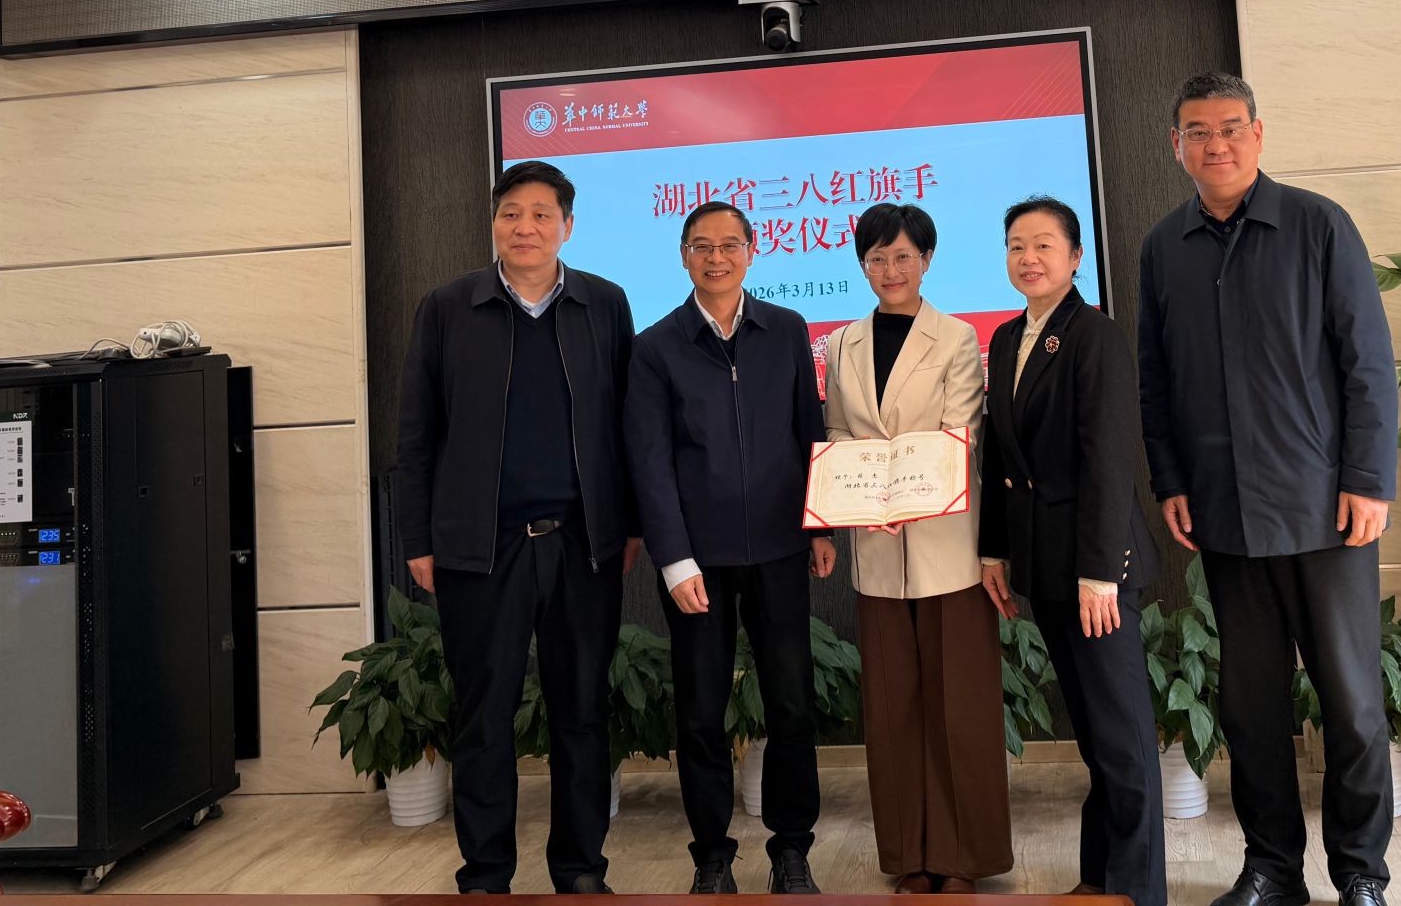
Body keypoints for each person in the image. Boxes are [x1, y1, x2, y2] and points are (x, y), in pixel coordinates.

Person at [1137, 72, 1399, 906]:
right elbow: (1155, 380)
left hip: (1325, 510)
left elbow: (1368, 363)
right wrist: (1171, 480)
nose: (1215, 144)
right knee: (1251, 707)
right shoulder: (1163, 247)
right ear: (1176, 145)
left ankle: (1360, 874)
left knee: (1352, 704)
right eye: (1197, 132)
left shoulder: (1319, 225)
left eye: (1229, 128)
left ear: (1258, 133)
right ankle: (1272, 869)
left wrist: (1368, 479)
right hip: (1224, 513)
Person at [394, 160, 640, 895]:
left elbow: (627, 426)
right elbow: (416, 433)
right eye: (510, 213)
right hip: (480, 546)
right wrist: (418, 538)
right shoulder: (448, 307)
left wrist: (626, 525)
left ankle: (581, 869)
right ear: (494, 222)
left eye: (540, 214)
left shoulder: (604, 303)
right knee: (483, 716)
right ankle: (486, 874)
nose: (524, 227)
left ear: (567, 225)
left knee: (581, 713)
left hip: (582, 542)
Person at [623, 201, 835, 896]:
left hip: (780, 548)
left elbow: (810, 431)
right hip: (698, 562)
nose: (716, 258)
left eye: (729, 245)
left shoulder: (787, 329)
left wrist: (820, 525)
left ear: (752, 249)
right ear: (683, 255)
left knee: (791, 704)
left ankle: (792, 849)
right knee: (700, 712)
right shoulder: (656, 346)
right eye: (702, 246)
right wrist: (674, 559)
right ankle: (711, 855)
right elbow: (649, 462)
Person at [978, 197, 1165, 906]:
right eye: (1016, 246)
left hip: (1096, 573)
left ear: (1076, 257)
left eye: (1044, 245)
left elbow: (1110, 463)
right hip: (1044, 564)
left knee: (1123, 737)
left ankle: (1139, 892)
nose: (1029, 258)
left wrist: (1099, 574)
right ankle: (1099, 878)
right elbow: (1001, 456)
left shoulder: (1096, 336)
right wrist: (993, 552)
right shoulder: (1006, 338)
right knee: (1093, 733)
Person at [821, 203, 1012, 895]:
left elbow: (960, 434)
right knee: (892, 708)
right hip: (874, 549)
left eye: (903, 256)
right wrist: (863, 499)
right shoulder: (841, 343)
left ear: (926, 260)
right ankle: (908, 855)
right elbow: (838, 433)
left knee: (959, 708)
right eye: (876, 258)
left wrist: (902, 495)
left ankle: (963, 858)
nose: (890, 269)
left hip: (946, 545)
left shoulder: (956, 337)